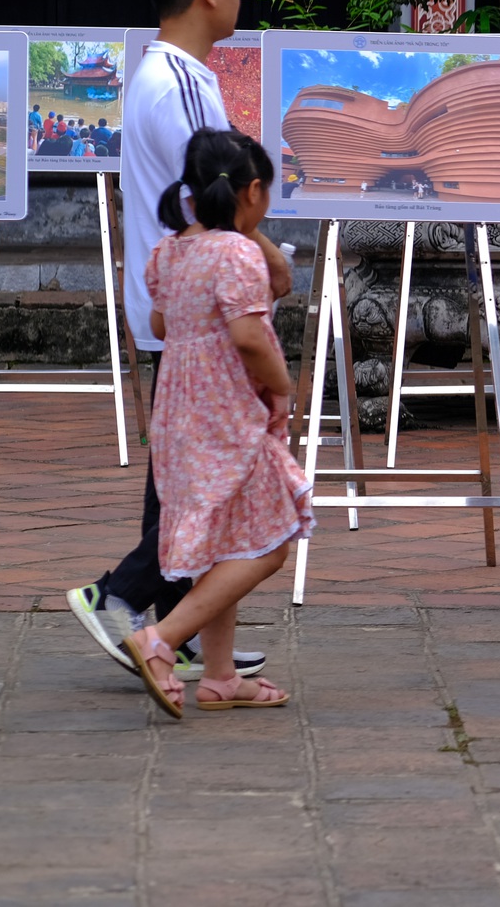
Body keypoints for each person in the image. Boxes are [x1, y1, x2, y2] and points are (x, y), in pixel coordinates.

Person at [67, 0, 291, 685]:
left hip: (172, 299)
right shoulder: (187, 80)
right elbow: (218, 194)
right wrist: (269, 257)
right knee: (219, 479)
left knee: (188, 471)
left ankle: (179, 629)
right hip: (204, 307)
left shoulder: (154, 73)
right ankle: (125, 599)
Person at [119, 128, 310, 718]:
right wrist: (282, 389)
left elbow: (160, 319)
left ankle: (222, 677)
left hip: (179, 414)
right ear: (252, 191)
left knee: (226, 541)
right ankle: (161, 640)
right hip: (226, 418)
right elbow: (249, 336)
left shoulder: (170, 251)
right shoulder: (237, 253)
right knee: (272, 540)